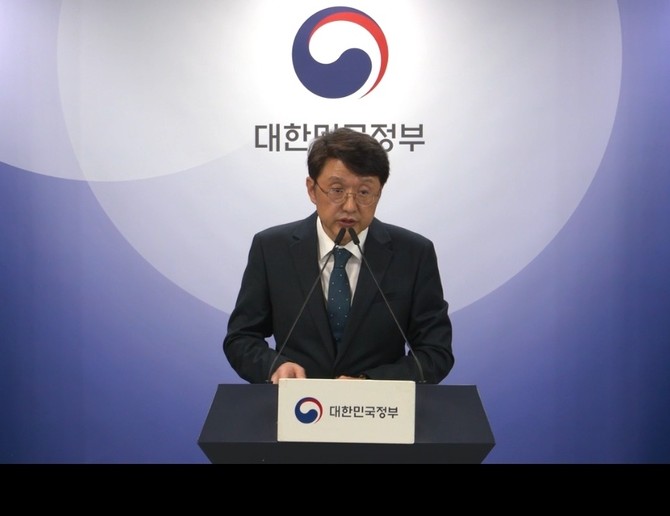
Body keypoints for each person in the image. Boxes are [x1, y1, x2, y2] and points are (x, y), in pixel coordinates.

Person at [223, 127, 454, 384]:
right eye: (336, 190)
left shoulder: (413, 254)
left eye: (364, 192)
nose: (350, 206)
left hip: (378, 407)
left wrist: (370, 383)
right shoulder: (271, 248)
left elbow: (436, 352)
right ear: (312, 189)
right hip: (297, 403)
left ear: (379, 193)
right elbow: (241, 338)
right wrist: (275, 367)